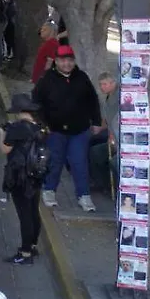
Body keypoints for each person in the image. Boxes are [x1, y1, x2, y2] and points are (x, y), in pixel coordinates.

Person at [32, 45, 101, 212]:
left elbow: (93, 100)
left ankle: (83, 195)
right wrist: (42, 123)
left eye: (70, 61)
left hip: (80, 130)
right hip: (55, 131)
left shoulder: (82, 77)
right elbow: (35, 102)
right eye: (63, 61)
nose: (67, 64)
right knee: (54, 161)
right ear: (56, 61)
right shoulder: (47, 79)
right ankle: (49, 190)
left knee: (79, 163)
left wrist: (97, 122)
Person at [0, 94, 48, 265]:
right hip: (35, 176)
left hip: (20, 177)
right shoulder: (39, 127)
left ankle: (25, 252)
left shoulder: (17, 128)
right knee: (34, 211)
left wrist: (2, 133)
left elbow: (5, 149)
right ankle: (33, 245)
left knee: (24, 215)